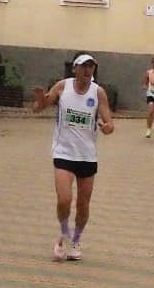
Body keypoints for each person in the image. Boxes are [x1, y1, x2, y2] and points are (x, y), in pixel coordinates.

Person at [32, 53, 115, 262]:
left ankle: (76, 239)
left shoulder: (98, 92)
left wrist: (107, 127)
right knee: (64, 200)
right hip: (64, 153)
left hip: (87, 156)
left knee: (83, 205)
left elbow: (109, 122)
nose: (88, 70)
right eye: (83, 66)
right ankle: (64, 233)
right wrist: (40, 100)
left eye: (91, 66)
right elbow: (38, 108)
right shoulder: (63, 86)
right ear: (74, 68)